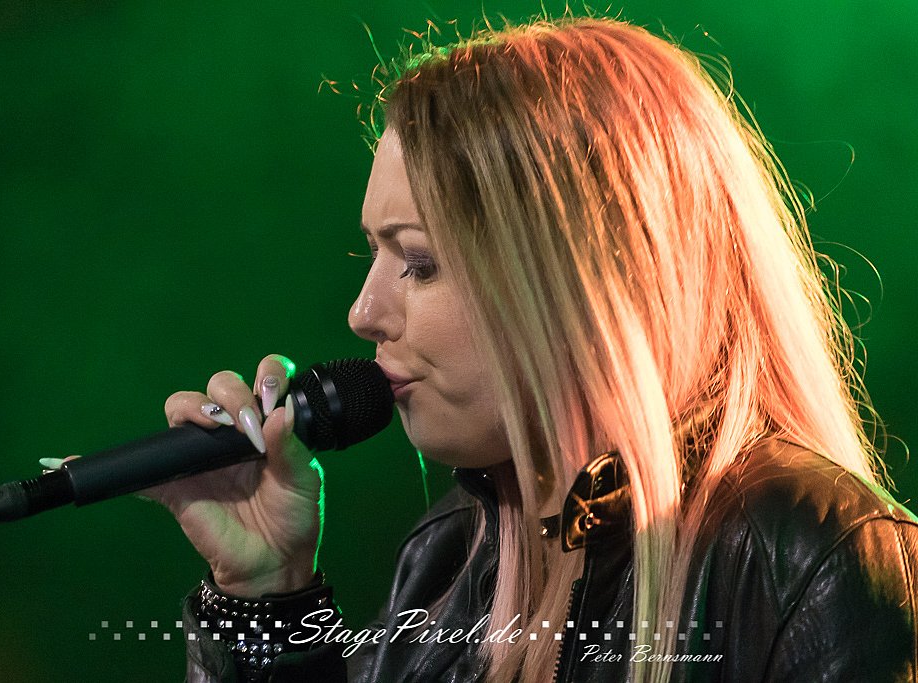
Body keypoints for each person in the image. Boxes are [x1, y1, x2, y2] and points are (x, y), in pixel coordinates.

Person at [139, 16, 918, 683]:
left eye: (419, 262)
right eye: (374, 255)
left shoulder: (808, 558)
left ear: (589, 278)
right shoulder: (444, 560)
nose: (363, 313)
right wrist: (266, 599)